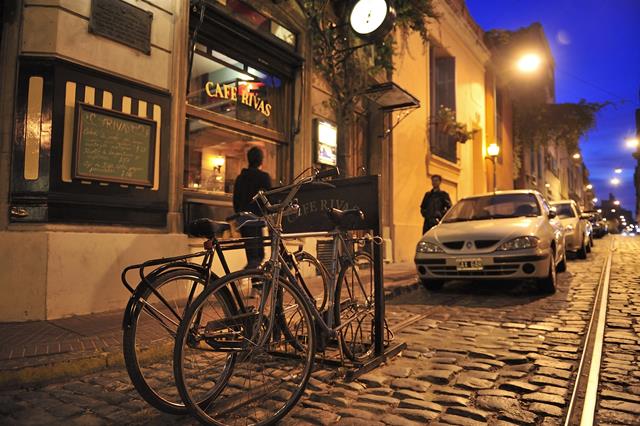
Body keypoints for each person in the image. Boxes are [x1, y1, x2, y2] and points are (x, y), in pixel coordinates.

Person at [233, 146, 272, 269]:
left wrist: (239, 217)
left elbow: (236, 201)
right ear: (261, 160)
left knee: (252, 256)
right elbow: (269, 200)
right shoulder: (264, 177)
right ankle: (243, 280)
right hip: (257, 220)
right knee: (258, 257)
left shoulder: (240, 178)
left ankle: (256, 285)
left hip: (243, 221)